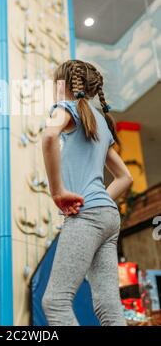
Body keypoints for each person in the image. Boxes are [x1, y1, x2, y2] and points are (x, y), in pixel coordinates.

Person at [41, 59, 132, 326]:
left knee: (55, 302)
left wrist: (58, 191)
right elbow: (124, 177)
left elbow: (48, 138)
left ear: (61, 85)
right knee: (108, 307)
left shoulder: (63, 108)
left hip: (88, 217)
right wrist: (100, 200)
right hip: (109, 217)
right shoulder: (100, 122)